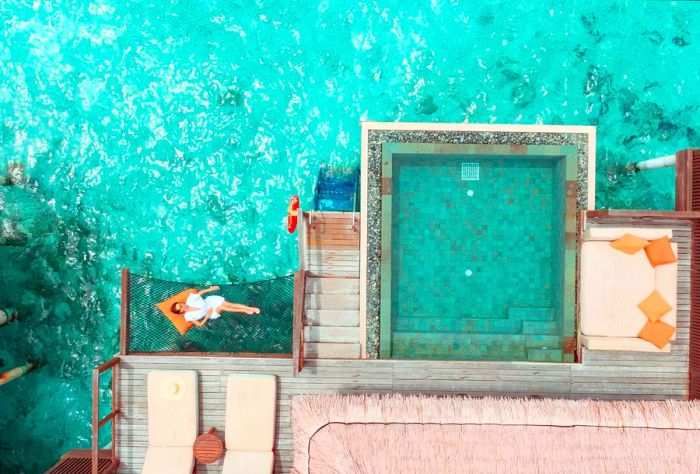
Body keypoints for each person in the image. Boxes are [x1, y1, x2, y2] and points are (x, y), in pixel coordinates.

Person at [170, 285, 260, 328]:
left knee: (229, 304)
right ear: (181, 311)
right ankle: (245, 310)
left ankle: (249, 308)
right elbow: (200, 324)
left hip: (209, 302)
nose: (182, 304)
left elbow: (200, 293)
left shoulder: (190, 300)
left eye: (180, 303)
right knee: (223, 307)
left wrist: (210, 289)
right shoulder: (188, 316)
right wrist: (208, 315)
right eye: (180, 307)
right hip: (210, 312)